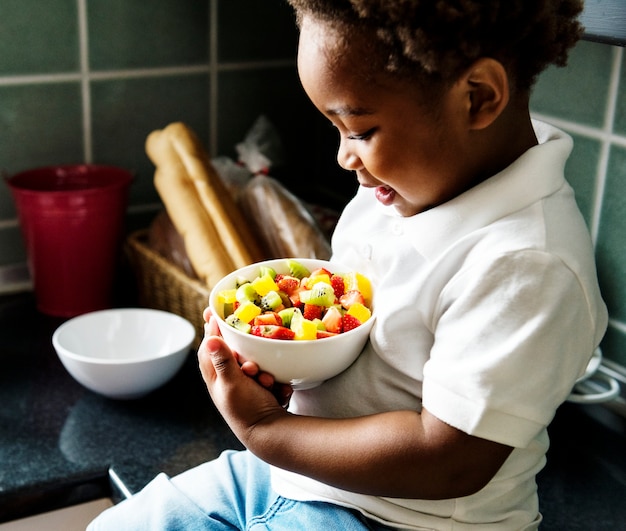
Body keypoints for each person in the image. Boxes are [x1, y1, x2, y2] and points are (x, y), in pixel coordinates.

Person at [89, 1, 607, 529]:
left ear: (477, 98)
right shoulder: (393, 193)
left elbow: (450, 459)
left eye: (359, 130)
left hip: (396, 520)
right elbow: (370, 351)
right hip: (289, 477)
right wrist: (285, 366)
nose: (344, 157)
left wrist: (266, 431)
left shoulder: (525, 264)